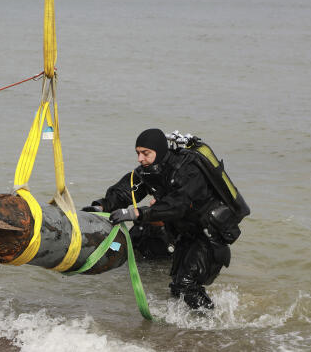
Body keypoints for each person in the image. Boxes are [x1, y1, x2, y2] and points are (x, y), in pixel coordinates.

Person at [83, 128, 234, 309]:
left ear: (159, 151)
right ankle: (190, 331)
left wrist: (138, 213)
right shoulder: (150, 171)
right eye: (138, 153)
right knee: (177, 289)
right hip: (185, 235)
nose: (140, 159)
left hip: (209, 236)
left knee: (186, 284)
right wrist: (101, 206)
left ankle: (213, 325)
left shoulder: (189, 171)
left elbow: (177, 205)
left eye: (145, 153)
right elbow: (124, 191)